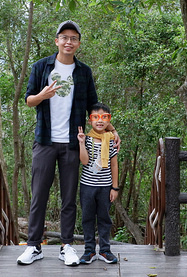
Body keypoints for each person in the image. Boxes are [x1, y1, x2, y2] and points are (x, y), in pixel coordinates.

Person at [16, 20, 119, 266]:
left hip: (74, 143)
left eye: (73, 38)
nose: (69, 42)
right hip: (45, 141)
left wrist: (112, 130)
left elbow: (94, 108)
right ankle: (34, 246)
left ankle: (66, 246)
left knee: (69, 198)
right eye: (64, 37)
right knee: (38, 195)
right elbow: (29, 100)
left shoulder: (83, 72)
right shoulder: (41, 67)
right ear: (57, 41)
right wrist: (43, 95)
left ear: (78, 43)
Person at [77, 103, 119, 264]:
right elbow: (84, 161)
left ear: (109, 121)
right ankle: (89, 251)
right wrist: (81, 143)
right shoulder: (86, 139)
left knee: (104, 218)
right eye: (96, 117)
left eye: (104, 117)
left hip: (105, 186)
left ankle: (105, 250)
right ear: (90, 121)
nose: (100, 121)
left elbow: (114, 164)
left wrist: (115, 187)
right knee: (87, 218)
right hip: (87, 186)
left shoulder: (111, 140)